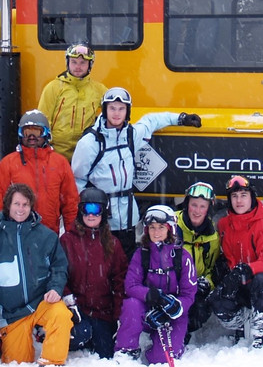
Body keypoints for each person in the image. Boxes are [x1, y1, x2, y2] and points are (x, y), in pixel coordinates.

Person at [71, 87, 202, 257]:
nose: (116, 113)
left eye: (121, 109)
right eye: (112, 108)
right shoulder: (90, 143)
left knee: (125, 261)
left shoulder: (131, 135)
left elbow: (151, 121)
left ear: (127, 111)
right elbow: (77, 180)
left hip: (127, 217)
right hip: (100, 215)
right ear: (104, 110)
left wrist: (180, 118)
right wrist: (81, 214)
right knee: (101, 261)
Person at [0, 183, 73, 365]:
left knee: (61, 316)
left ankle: (52, 364)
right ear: (8, 205)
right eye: (16, 204)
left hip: (41, 302)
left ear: (31, 207)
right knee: (16, 364)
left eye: (25, 205)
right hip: (13, 312)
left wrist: (55, 288)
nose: (21, 209)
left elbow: (59, 266)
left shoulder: (46, 236)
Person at [115, 205, 198, 363]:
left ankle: (157, 350)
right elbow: (131, 285)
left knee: (162, 359)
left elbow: (189, 293)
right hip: (147, 309)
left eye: (161, 227)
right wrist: (149, 295)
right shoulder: (142, 254)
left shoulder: (182, 257)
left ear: (170, 229)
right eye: (152, 228)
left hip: (171, 314)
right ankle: (126, 349)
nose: (156, 232)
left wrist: (175, 307)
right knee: (131, 305)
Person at [209, 176, 263, 348]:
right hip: (237, 283)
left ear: (251, 197)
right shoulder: (224, 225)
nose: (239, 200)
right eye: (234, 196)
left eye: (243, 195)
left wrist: (247, 269)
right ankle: (240, 323)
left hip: (259, 284)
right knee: (217, 300)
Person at [59, 187, 128, 359]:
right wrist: (68, 300)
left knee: (105, 353)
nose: (91, 215)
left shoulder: (112, 243)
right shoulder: (67, 241)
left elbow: (120, 279)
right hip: (77, 310)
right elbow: (58, 274)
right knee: (80, 336)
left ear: (103, 213)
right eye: (86, 209)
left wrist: (119, 315)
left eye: (96, 210)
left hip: (101, 312)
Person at [0, 109, 78, 235]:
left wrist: (73, 238)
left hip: (49, 235)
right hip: (17, 235)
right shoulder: (8, 163)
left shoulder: (60, 163)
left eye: (37, 132)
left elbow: (70, 204)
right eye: (27, 132)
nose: (31, 137)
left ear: (46, 134)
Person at [37, 43, 108, 161]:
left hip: (85, 153)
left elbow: (116, 107)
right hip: (56, 153)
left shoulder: (98, 90)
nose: (78, 67)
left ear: (90, 65)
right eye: (74, 62)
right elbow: (43, 119)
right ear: (68, 63)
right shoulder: (54, 87)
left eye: (83, 63)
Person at [175, 181, 223, 341]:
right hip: (169, 284)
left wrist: (207, 282)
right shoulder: (171, 224)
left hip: (193, 287)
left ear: (209, 208)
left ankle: (183, 330)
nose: (197, 211)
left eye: (202, 206)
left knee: (199, 310)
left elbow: (212, 268)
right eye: (194, 205)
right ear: (187, 204)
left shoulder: (212, 237)